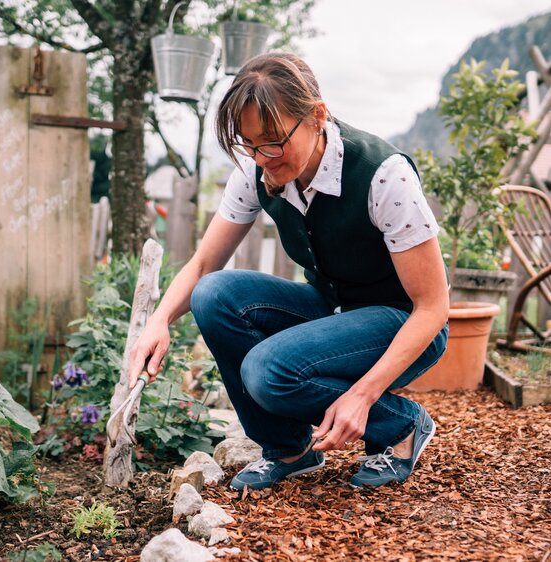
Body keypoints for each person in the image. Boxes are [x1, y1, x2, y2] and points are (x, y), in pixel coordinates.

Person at [128, 52, 449, 490]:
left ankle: (400, 425)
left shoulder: (383, 176)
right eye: (250, 143)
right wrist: (159, 321)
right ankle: (289, 450)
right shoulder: (258, 169)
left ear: (317, 116)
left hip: (401, 321)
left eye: (274, 139)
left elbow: (432, 308)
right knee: (214, 294)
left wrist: (362, 396)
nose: (263, 157)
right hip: (331, 308)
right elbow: (204, 263)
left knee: (268, 371)